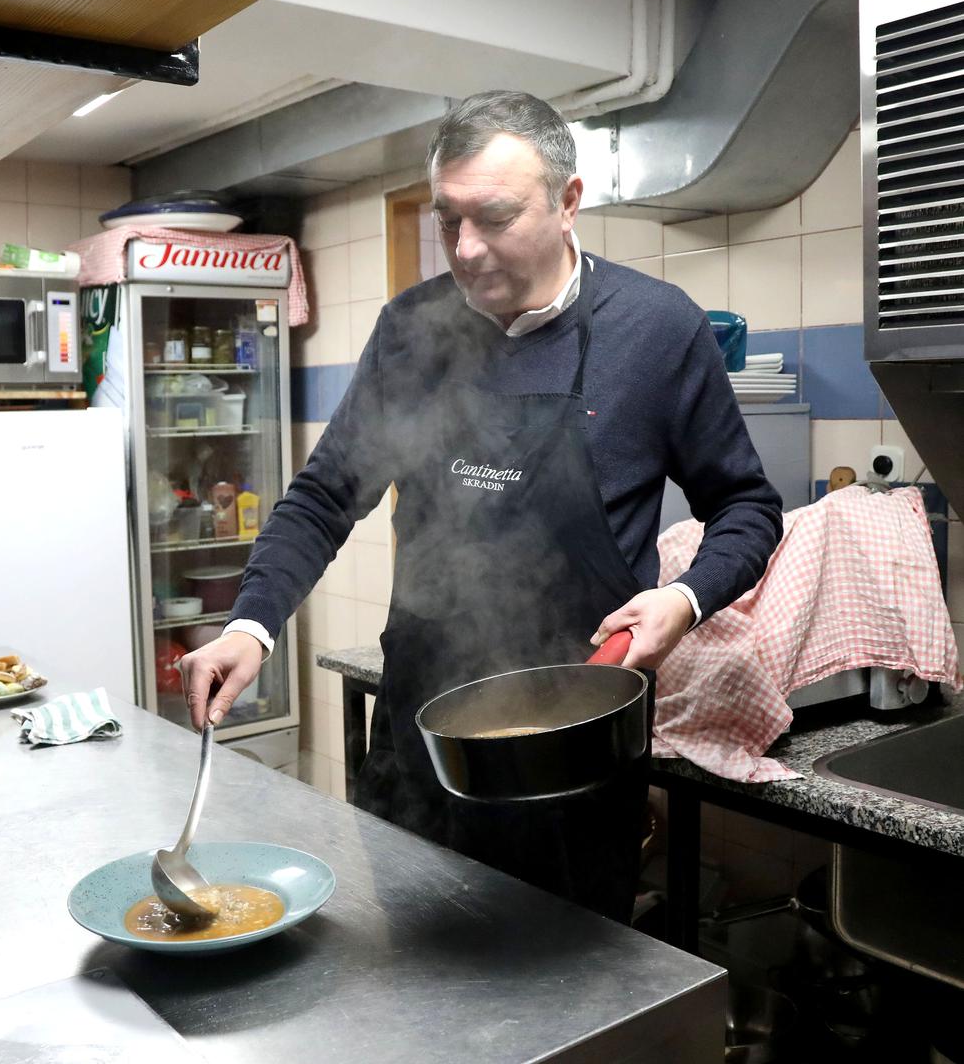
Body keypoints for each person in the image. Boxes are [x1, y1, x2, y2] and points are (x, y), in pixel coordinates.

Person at [180, 90, 783, 922]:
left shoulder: (654, 329)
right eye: (446, 220)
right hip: (419, 723)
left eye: (493, 218)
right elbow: (325, 495)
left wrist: (683, 600)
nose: (464, 250)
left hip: (575, 731)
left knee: (565, 986)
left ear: (569, 203)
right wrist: (250, 625)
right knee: (410, 969)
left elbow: (747, 507)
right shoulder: (410, 329)